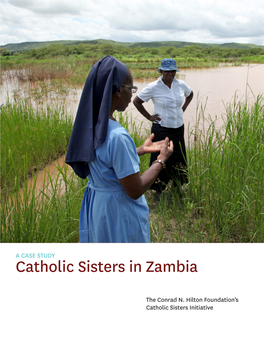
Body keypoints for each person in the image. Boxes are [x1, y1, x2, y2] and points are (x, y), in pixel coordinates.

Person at [65, 55, 173, 243]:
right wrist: (160, 160)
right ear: (116, 91)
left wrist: (138, 150)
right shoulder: (118, 136)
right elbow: (135, 189)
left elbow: (103, 159)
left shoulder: (91, 125)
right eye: (130, 88)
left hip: (98, 206)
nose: (132, 94)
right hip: (118, 210)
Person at [133, 58, 193, 198]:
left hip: (178, 128)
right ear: (161, 71)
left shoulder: (181, 84)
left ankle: (178, 187)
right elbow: (137, 101)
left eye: (173, 71)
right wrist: (149, 117)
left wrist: (183, 108)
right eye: (167, 71)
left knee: (178, 158)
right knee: (160, 157)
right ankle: (158, 189)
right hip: (162, 129)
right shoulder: (153, 87)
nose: (170, 74)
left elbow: (190, 94)